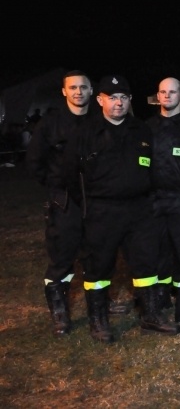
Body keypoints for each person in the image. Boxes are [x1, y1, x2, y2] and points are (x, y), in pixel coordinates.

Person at [64, 74, 180, 342]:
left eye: (124, 98)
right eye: (113, 97)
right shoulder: (85, 133)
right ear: (101, 99)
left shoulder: (141, 130)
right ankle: (98, 320)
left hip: (139, 210)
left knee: (146, 263)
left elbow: (151, 167)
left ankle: (150, 315)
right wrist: (88, 205)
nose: (118, 103)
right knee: (98, 267)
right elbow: (70, 175)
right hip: (102, 211)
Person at [25, 70, 96, 336]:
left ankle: (99, 306)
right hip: (64, 202)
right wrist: (56, 186)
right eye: (73, 87)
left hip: (95, 200)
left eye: (84, 87)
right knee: (62, 259)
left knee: (96, 256)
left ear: (91, 91)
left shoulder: (100, 121)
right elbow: (34, 163)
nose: (78, 92)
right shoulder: (50, 124)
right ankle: (60, 315)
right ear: (64, 92)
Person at [146, 77, 180, 323]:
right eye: (163, 92)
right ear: (158, 96)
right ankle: (162, 293)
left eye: (172, 92)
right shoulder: (147, 127)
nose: (167, 96)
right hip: (154, 198)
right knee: (159, 249)